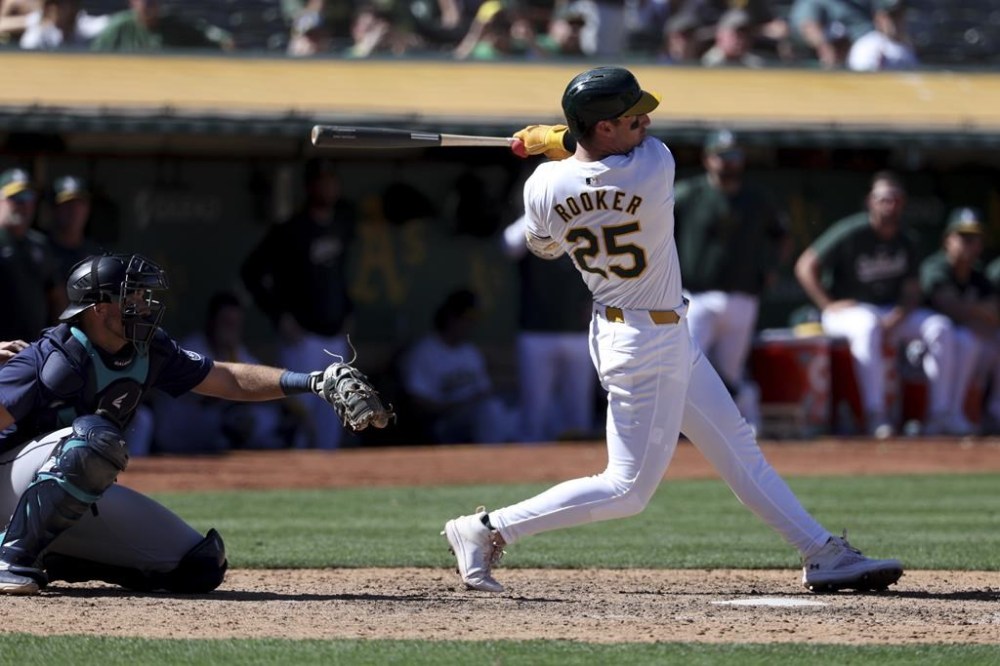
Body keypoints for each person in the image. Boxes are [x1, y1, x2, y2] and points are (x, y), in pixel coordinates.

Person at [443, 65, 903, 594]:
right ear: (605, 127)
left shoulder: (543, 186)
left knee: (737, 448)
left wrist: (554, 149)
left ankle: (821, 552)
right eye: (632, 115)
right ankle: (485, 529)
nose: (646, 120)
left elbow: (544, 245)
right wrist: (554, 138)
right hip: (645, 344)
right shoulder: (655, 165)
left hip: (640, 331)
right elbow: (597, 153)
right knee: (628, 488)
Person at [0, 252, 390, 595]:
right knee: (96, 441)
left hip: (70, 487)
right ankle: (11, 559)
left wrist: (313, 382)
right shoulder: (48, 357)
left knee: (199, 565)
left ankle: (52, 553)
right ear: (99, 307)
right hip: (9, 481)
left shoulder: (148, 350)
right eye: (132, 295)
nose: (145, 304)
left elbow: (226, 378)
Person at [794, 171, 960, 438]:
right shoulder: (852, 231)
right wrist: (827, 304)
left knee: (940, 327)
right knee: (867, 325)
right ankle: (876, 414)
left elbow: (912, 290)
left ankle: (941, 415)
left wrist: (899, 314)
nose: (889, 205)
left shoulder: (908, 239)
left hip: (891, 312)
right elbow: (805, 266)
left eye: (894, 199)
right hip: (849, 311)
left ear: (903, 203)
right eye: (882, 199)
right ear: (870, 202)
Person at [674, 129, 788, 433]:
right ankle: (688, 429)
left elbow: (781, 237)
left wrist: (771, 267)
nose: (728, 163)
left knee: (729, 371)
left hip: (742, 296)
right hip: (694, 296)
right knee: (687, 364)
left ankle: (735, 427)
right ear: (708, 159)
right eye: (722, 156)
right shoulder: (688, 194)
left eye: (734, 156)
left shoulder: (757, 198)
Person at [240, 158, 358, 449]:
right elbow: (251, 273)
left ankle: (328, 481)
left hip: (334, 337)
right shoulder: (290, 229)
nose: (327, 187)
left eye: (332, 180)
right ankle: (296, 480)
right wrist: (279, 316)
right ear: (309, 186)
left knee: (335, 416)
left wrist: (348, 312)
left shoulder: (341, 227)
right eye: (321, 181)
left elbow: (340, 277)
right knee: (302, 415)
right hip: (302, 339)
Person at [152, 290, 290, 453]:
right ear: (212, 322)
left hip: (211, 429)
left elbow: (262, 380)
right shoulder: (192, 348)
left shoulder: (236, 351)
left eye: (235, 324)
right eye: (226, 323)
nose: (231, 330)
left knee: (265, 418)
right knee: (231, 419)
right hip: (179, 429)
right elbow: (211, 395)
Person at [502, 215, 596, 442]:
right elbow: (508, 245)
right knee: (534, 411)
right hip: (537, 332)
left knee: (577, 411)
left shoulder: (584, 216)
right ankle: (527, 469)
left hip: (577, 333)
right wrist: (541, 209)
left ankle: (579, 468)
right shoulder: (535, 219)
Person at [400, 289, 517, 444]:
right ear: (451, 317)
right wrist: (458, 405)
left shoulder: (470, 352)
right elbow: (417, 402)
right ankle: (495, 460)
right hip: (444, 422)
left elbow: (484, 390)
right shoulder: (425, 352)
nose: (471, 324)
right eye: (467, 318)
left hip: (474, 416)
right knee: (489, 411)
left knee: (507, 408)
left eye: (474, 319)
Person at [920, 208, 996, 435]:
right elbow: (948, 305)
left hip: (959, 347)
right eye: (963, 237)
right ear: (947, 240)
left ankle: (991, 410)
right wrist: (978, 312)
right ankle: (940, 414)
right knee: (960, 336)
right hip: (921, 350)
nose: (969, 244)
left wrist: (974, 313)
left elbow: (995, 313)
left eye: (974, 239)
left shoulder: (979, 275)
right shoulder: (936, 266)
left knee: (977, 339)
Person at [0, 168, 66, 342]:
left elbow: (56, 296)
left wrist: (57, 340)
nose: (24, 205)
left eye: (29, 198)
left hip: (33, 350)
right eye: (16, 198)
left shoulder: (40, 244)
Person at [91, 0, 233, 51]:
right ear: (132, 2)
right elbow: (93, 59)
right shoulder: (119, 28)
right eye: (143, 1)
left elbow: (214, 37)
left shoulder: (175, 26)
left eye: (151, 1)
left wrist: (225, 41)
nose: (147, 5)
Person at [45, 175, 105, 284]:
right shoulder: (40, 251)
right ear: (53, 210)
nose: (74, 210)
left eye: (80, 204)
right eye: (67, 204)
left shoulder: (97, 256)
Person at [788, 0, 873, 68]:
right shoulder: (809, 3)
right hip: (858, 46)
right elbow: (809, 27)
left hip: (866, 38)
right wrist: (826, 49)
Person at [847, 0, 917, 72]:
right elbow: (861, 80)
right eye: (891, 16)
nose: (895, 21)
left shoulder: (906, 47)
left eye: (899, 15)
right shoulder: (866, 47)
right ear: (878, 18)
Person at [18, 0, 108, 49]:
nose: (54, 9)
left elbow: (108, 24)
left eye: (69, 3)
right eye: (53, 4)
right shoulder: (38, 34)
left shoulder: (81, 25)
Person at [700, 8, 767, 67]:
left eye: (746, 34)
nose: (741, 40)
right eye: (736, 34)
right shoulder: (705, 64)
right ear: (720, 36)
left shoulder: (756, 65)